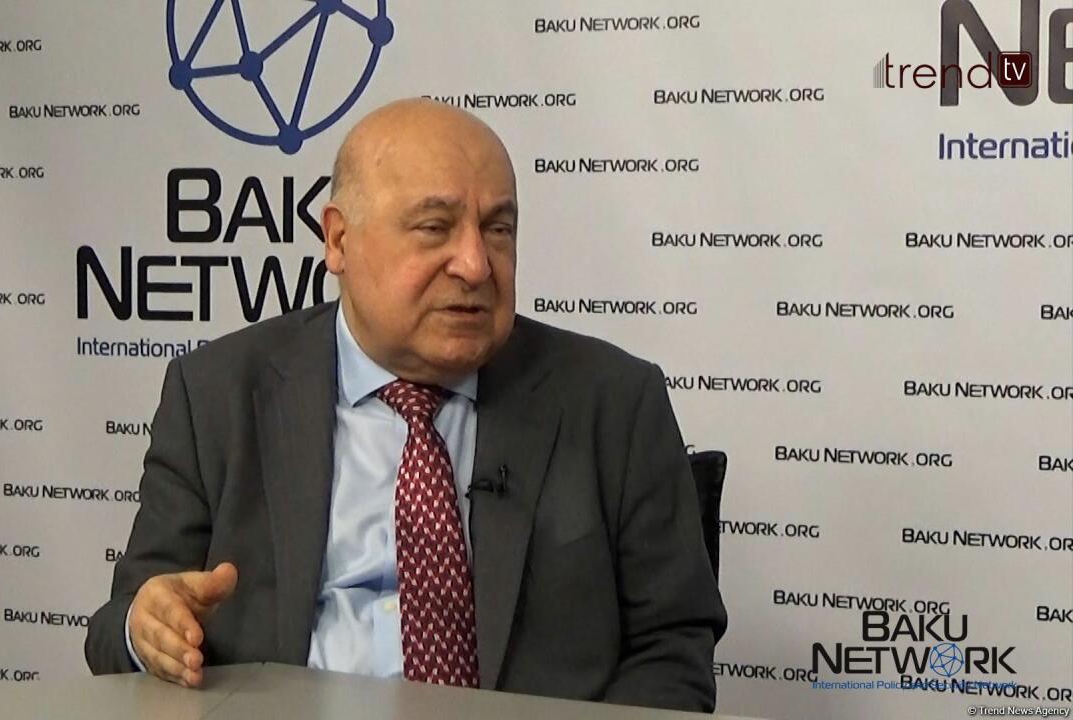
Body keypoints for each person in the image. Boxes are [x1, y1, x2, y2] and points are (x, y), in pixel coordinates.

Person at [85, 98, 727, 712]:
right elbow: (118, 629)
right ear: (338, 240)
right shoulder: (217, 394)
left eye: (498, 229)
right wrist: (148, 628)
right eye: (434, 228)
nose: (475, 265)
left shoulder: (613, 403)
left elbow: (672, 647)